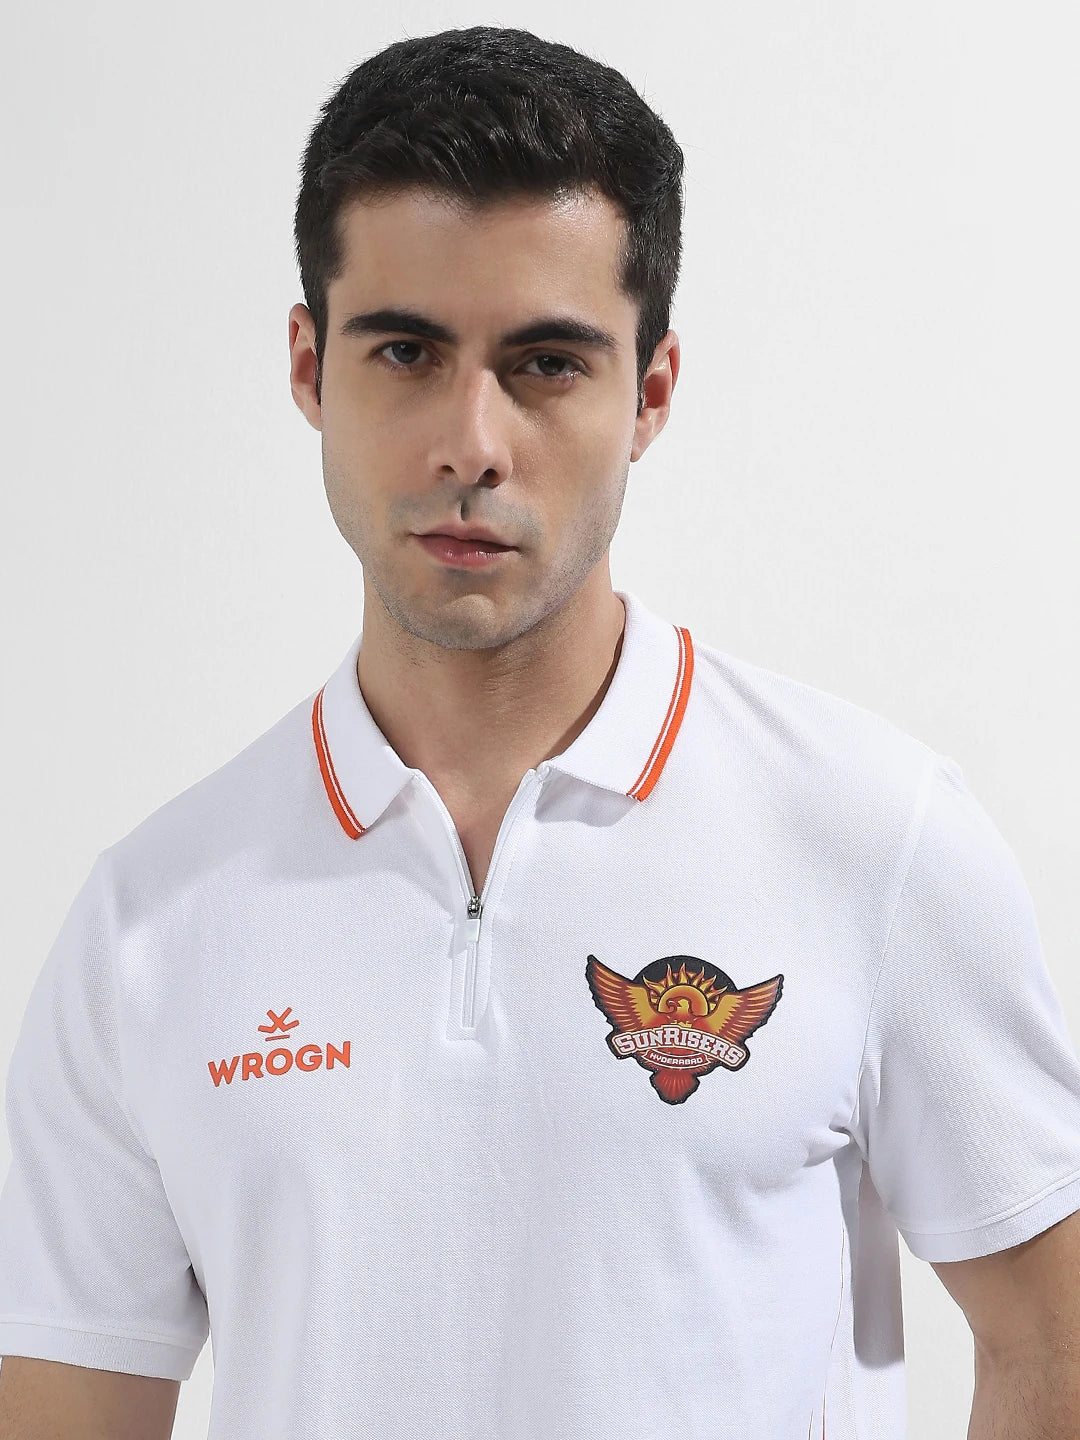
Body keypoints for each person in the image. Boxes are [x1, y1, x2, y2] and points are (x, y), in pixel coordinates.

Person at [2, 24, 1080, 1440]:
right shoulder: (148, 926)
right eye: (405, 351)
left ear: (651, 394)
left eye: (547, 363)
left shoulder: (874, 838)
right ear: (309, 367)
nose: (472, 441)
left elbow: (1057, 1347)